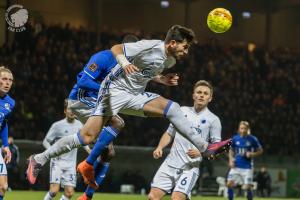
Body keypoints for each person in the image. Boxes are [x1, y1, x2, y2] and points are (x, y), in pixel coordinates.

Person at [27, 25, 231, 189]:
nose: (186, 52)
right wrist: (124, 63)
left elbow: (145, 72)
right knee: (87, 137)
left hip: (133, 95)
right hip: (112, 92)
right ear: (173, 43)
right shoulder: (150, 45)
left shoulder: (169, 60)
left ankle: (205, 147)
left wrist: (161, 79)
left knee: (173, 108)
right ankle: (39, 159)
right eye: (185, 47)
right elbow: (116, 48)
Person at [148, 80, 222, 200]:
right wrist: (160, 147)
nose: (202, 95)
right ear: (193, 95)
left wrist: (201, 152)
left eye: (205, 93)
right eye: (199, 92)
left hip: (190, 167)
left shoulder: (213, 120)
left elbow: (217, 147)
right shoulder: (181, 111)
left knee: (176, 198)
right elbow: (169, 133)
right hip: (170, 164)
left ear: (210, 98)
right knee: (152, 197)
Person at [43, 100, 83, 200]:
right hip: (57, 161)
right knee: (54, 191)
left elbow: (83, 141)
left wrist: (90, 151)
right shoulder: (57, 126)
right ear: (65, 111)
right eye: (70, 109)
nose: (72, 111)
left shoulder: (80, 125)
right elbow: (45, 141)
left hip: (71, 163)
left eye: (74, 109)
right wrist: (52, 152)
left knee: (69, 193)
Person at [227, 121, 263, 200]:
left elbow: (260, 150)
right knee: (229, 184)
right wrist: (230, 160)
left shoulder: (252, 139)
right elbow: (231, 150)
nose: (243, 130)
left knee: (247, 187)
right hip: (236, 166)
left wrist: (252, 154)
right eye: (241, 128)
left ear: (248, 129)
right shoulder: (235, 138)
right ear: (239, 129)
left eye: (245, 128)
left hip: (247, 167)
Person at [0, 66, 15, 200]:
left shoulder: (10, 103)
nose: (7, 83)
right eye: (4, 79)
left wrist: (6, 145)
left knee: (3, 187)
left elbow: (3, 123)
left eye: (10, 80)